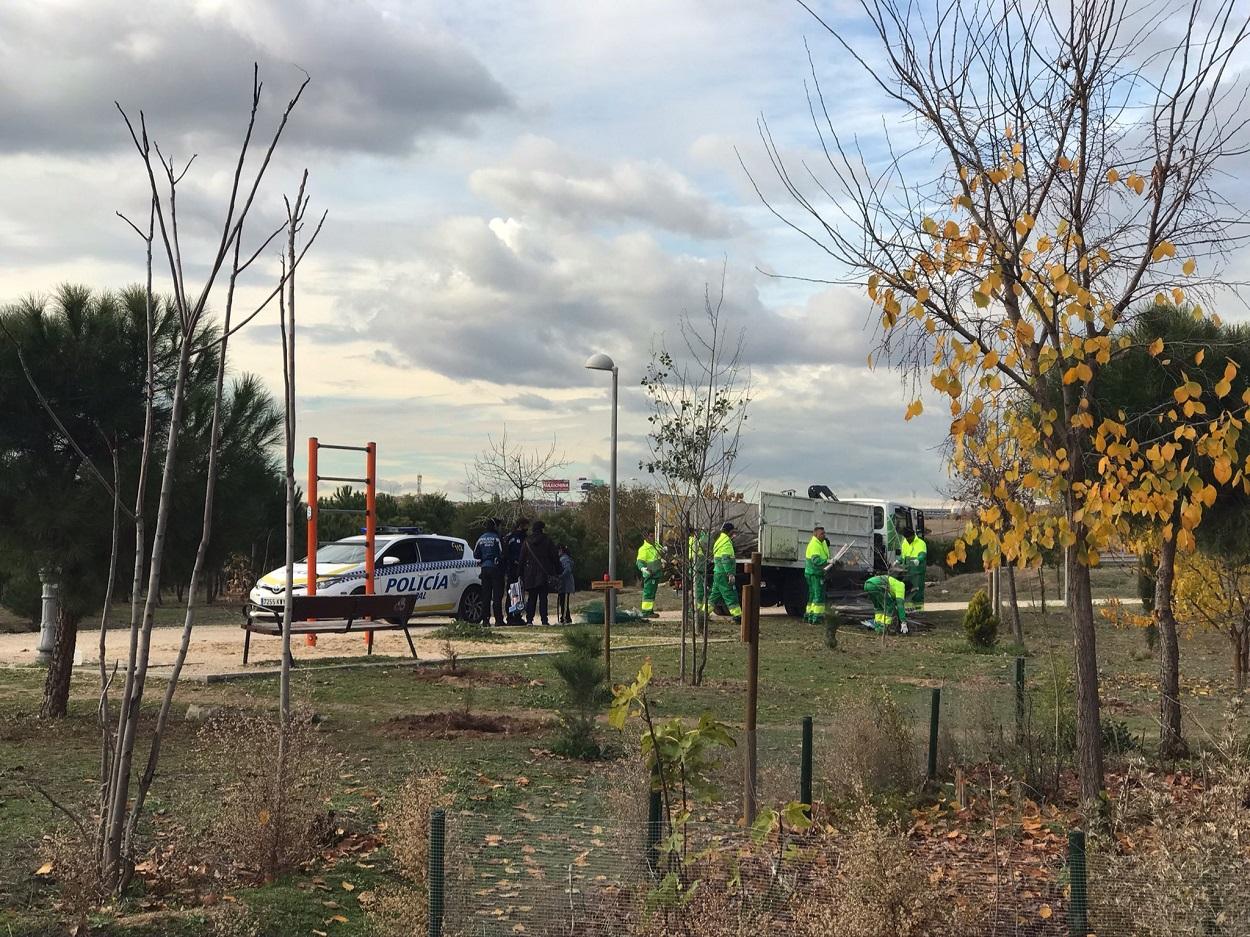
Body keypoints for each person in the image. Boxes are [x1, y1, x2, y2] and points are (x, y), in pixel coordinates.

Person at [520, 519, 559, 626]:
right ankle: (544, 620)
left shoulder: (527, 541)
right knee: (543, 598)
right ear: (542, 529)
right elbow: (554, 557)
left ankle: (529, 620)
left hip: (530, 574)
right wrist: (558, 571)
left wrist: (520, 574)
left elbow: (522, 559)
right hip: (544, 573)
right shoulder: (547, 541)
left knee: (531, 598)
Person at [473, 518, 506, 627]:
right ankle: (498, 620)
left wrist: (484, 558)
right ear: (495, 526)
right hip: (495, 569)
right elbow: (503, 553)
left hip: (484, 569)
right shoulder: (497, 538)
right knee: (497, 596)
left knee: (486, 596)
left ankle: (485, 620)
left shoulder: (481, 538)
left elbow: (475, 554)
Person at [709, 522, 742, 622]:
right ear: (729, 532)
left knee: (714, 597)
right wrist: (730, 574)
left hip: (717, 572)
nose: (734, 535)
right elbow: (726, 559)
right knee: (730, 594)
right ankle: (738, 616)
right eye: (733, 532)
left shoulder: (719, 540)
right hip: (724, 574)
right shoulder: (726, 542)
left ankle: (702, 614)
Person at [502, 518, 529, 625]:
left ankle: (514, 616)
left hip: (512, 569)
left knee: (514, 593)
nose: (527, 529)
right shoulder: (518, 538)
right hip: (515, 569)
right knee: (515, 593)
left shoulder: (509, 536)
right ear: (521, 525)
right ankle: (514, 616)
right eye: (526, 526)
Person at [804, 524, 830, 624]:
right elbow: (816, 560)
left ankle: (809, 616)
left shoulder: (821, 543)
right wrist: (828, 561)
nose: (824, 535)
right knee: (818, 596)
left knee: (812, 596)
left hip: (813, 573)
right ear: (815, 534)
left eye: (824, 533)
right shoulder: (815, 545)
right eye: (822, 533)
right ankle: (817, 618)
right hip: (815, 573)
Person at [900, 527, 928, 612]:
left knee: (917, 591)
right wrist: (898, 560)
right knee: (907, 591)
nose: (907, 540)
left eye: (908, 538)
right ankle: (908, 610)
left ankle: (919, 610)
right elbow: (903, 556)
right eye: (906, 538)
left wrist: (918, 560)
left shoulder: (921, 543)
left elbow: (923, 554)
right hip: (907, 571)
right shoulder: (905, 542)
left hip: (917, 571)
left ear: (912, 536)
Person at [636, 534, 662, 619]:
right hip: (650, 574)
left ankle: (649, 610)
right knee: (648, 593)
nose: (653, 538)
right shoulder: (644, 549)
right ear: (646, 537)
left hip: (656, 573)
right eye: (651, 536)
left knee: (652, 593)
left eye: (653, 536)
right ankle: (646, 612)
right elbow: (640, 561)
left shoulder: (656, 546)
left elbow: (659, 556)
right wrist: (643, 568)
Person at [687, 527, 709, 615]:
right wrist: (704, 533)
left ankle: (694, 611)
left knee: (695, 591)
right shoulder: (694, 541)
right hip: (697, 569)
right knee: (698, 592)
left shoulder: (691, 541)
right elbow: (704, 542)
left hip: (695, 569)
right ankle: (694, 612)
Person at [557, 544, 576, 624]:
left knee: (564, 602)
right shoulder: (565, 558)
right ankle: (566, 617)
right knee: (563, 602)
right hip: (565, 584)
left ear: (561, 550)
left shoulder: (564, 559)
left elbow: (567, 569)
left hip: (565, 584)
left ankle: (564, 618)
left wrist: (560, 576)